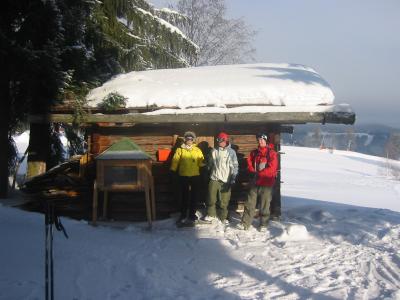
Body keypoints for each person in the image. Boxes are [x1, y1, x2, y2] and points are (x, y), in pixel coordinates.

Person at [237, 133, 278, 231]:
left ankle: (263, 224)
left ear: (266, 141)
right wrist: (253, 171)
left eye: (262, 140)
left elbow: (272, 168)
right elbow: (250, 163)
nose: (260, 141)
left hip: (267, 184)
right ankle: (245, 223)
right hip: (255, 182)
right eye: (259, 140)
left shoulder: (272, 153)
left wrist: (260, 174)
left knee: (265, 205)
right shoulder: (254, 153)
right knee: (249, 203)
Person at [203, 132, 238, 224]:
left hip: (226, 180)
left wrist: (233, 177)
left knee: (224, 201)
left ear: (226, 141)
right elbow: (210, 164)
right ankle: (211, 215)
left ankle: (223, 217)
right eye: (218, 140)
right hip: (214, 178)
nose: (219, 142)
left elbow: (235, 166)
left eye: (221, 140)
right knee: (211, 198)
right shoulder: (214, 151)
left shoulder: (231, 152)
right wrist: (206, 167)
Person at [170, 131, 205, 226]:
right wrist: (173, 170)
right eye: (187, 139)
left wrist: (204, 165)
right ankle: (183, 215)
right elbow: (175, 160)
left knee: (194, 196)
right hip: (183, 176)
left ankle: (192, 215)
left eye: (191, 139)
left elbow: (201, 161)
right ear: (185, 140)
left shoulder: (197, 150)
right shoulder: (180, 150)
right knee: (184, 196)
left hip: (195, 176)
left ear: (193, 140)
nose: (189, 140)